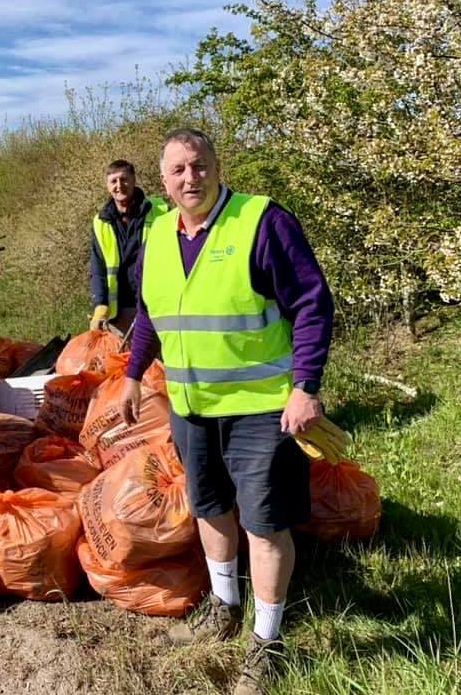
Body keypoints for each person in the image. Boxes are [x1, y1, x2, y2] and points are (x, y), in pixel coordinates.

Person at [119, 129, 334, 695]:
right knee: (209, 508)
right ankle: (224, 607)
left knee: (264, 525)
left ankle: (266, 642)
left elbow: (312, 303)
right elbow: (150, 314)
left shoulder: (261, 222)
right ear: (161, 181)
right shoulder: (157, 234)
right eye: (178, 171)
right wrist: (134, 375)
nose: (190, 179)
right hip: (191, 406)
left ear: (217, 167)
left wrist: (305, 386)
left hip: (263, 407)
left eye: (199, 166)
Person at [89, 159, 169, 332]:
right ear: (107, 186)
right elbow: (98, 269)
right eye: (114, 181)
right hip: (118, 313)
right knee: (121, 359)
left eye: (124, 179)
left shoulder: (161, 211)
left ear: (134, 180)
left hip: (156, 308)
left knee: (157, 359)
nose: (119, 185)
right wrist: (100, 304)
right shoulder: (100, 222)